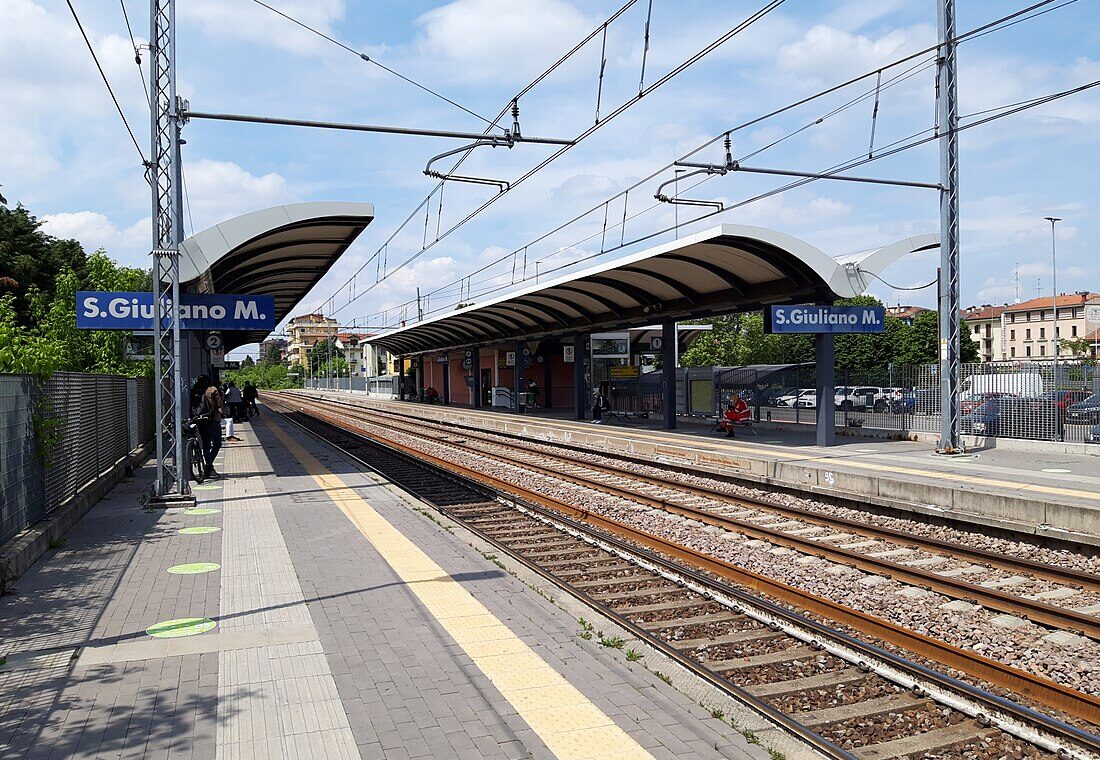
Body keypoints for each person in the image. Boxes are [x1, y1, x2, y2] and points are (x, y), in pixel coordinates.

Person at [193, 375, 223, 479]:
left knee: (206, 445)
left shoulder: (194, 389)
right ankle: (209, 467)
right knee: (217, 444)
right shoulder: (212, 389)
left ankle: (208, 467)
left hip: (200, 421)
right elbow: (219, 403)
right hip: (212, 420)